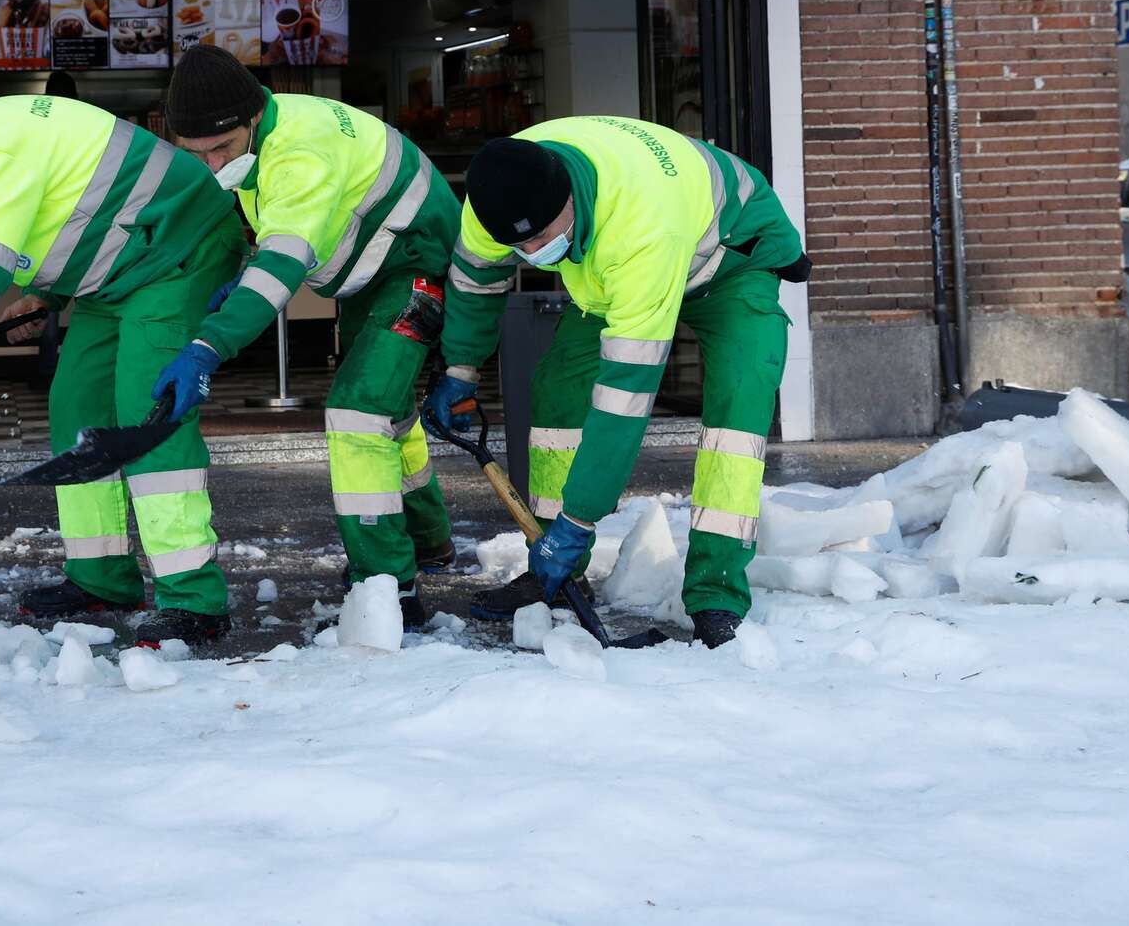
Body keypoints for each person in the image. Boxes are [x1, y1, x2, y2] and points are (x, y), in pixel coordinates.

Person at [0, 93, 244, 646]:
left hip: (175, 252)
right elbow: (71, 211)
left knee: (147, 411)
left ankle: (194, 600)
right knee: (77, 407)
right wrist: (46, 294)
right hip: (117, 276)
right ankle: (102, 577)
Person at [423, 117, 808, 648]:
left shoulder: (641, 227)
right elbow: (475, 279)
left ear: (571, 199)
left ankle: (717, 591)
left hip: (729, 259)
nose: (534, 250)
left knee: (738, 409)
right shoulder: (495, 196)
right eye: (521, 245)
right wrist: (459, 368)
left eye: (542, 235)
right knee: (559, 384)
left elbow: (624, 398)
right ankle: (555, 568)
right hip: (612, 275)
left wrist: (581, 516)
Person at [155, 45, 462, 627]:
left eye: (221, 148)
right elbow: (275, 231)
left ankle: (386, 585)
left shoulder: (300, 152)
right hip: (374, 271)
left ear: (251, 118)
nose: (213, 165)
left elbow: (285, 264)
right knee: (389, 412)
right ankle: (428, 538)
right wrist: (247, 265)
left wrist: (208, 346)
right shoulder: (267, 129)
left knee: (356, 411)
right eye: (196, 154)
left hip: (417, 265)